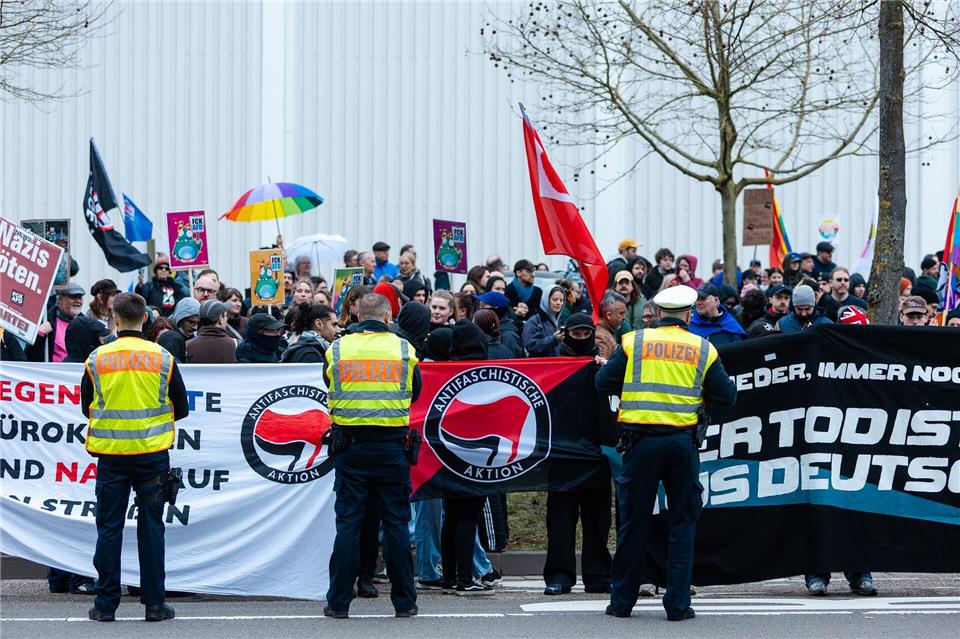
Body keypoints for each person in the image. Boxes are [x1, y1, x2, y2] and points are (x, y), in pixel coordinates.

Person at [596, 285, 736, 621]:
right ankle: (677, 605)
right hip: (681, 444)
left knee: (633, 523)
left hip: (640, 443)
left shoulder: (634, 342)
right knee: (682, 523)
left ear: (658, 313)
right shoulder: (703, 348)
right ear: (688, 314)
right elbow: (727, 396)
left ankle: (622, 603)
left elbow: (603, 382)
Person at [82, 292, 189, 622]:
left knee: (109, 529)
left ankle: (105, 605)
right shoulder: (163, 358)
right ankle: (155, 604)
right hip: (152, 456)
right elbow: (181, 408)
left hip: (112, 456)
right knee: (152, 529)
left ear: (115, 318)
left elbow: (87, 407)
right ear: (145, 318)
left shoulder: (97, 359)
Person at [323, 293, 421, 619]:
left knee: (349, 523)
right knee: (396, 524)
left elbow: (329, 383)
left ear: (356, 316)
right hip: (392, 447)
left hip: (351, 447)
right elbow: (415, 391)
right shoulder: (404, 350)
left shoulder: (337, 349)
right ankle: (405, 603)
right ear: (388, 317)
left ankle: (338, 603)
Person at [543, 312, 613, 596]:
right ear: (567, 333)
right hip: (562, 454)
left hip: (596, 453)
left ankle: (598, 576)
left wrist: (605, 371)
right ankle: (559, 575)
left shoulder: (602, 365)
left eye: (587, 334)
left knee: (597, 520)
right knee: (560, 520)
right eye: (577, 334)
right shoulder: (553, 363)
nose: (582, 339)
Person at [26, 282, 85, 362]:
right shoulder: (45, 321)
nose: (78, 301)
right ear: (60, 300)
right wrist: (39, 334)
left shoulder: (86, 324)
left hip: (79, 372)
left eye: (80, 298)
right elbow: (29, 355)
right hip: (52, 373)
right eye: (73, 297)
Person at [522, 285, 565, 357]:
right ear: (546, 300)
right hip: (541, 365)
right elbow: (530, 345)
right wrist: (554, 339)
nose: (558, 303)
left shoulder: (561, 322)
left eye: (561, 300)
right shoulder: (535, 321)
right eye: (554, 299)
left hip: (558, 365)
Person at [156, 297, 200, 363]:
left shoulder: (198, 337)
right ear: (180, 318)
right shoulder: (169, 337)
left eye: (198, 323)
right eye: (191, 322)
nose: (195, 327)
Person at [505, 259, 542, 324]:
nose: (533, 275)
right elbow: (505, 314)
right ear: (518, 273)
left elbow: (541, 315)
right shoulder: (507, 290)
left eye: (533, 271)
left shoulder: (538, 292)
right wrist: (515, 314)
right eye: (529, 271)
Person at [595, 292, 627, 359]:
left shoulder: (605, 331)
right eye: (621, 313)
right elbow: (602, 366)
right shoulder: (601, 336)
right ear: (609, 315)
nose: (624, 317)